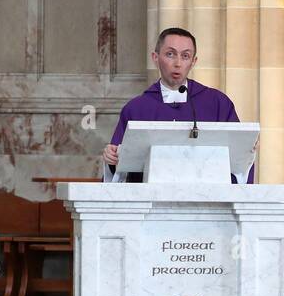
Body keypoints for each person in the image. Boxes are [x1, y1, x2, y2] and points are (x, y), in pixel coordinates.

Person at [103, 27, 252, 182]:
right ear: (155, 57)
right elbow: (119, 162)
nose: (178, 63)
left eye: (185, 56)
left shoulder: (218, 103)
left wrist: (247, 148)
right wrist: (112, 158)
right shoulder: (137, 108)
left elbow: (238, 161)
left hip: (207, 200)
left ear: (194, 61)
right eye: (170, 54)